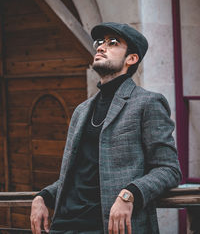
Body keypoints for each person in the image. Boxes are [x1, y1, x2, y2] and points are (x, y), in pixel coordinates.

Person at [30, 22, 182, 234]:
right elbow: (79, 174)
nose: (101, 47)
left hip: (107, 226)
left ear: (131, 59)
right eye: (100, 42)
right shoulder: (81, 111)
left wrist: (129, 194)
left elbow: (169, 169)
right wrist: (43, 196)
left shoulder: (148, 103)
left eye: (113, 43)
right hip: (63, 225)